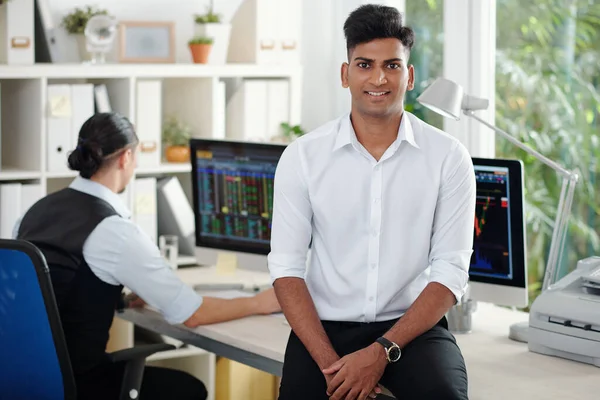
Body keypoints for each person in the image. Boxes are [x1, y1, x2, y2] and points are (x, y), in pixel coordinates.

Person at [268, 4, 475, 400]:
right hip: (324, 330)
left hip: (412, 329)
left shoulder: (448, 157)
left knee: (445, 394)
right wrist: (334, 368)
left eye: (392, 66)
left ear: (409, 76)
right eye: (364, 64)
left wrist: (381, 351)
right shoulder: (303, 156)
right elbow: (286, 270)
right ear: (345, 75)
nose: (378, 78)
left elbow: (450, 271)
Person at [14, 112, 280, 400]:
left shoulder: (35, 212)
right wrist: (259, 302)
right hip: (80, 384)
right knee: (188, 390)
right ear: (126, 157)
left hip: (28, 378)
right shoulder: (113, 229)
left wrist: (117, 299)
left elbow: (51, 290)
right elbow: (191, 314)